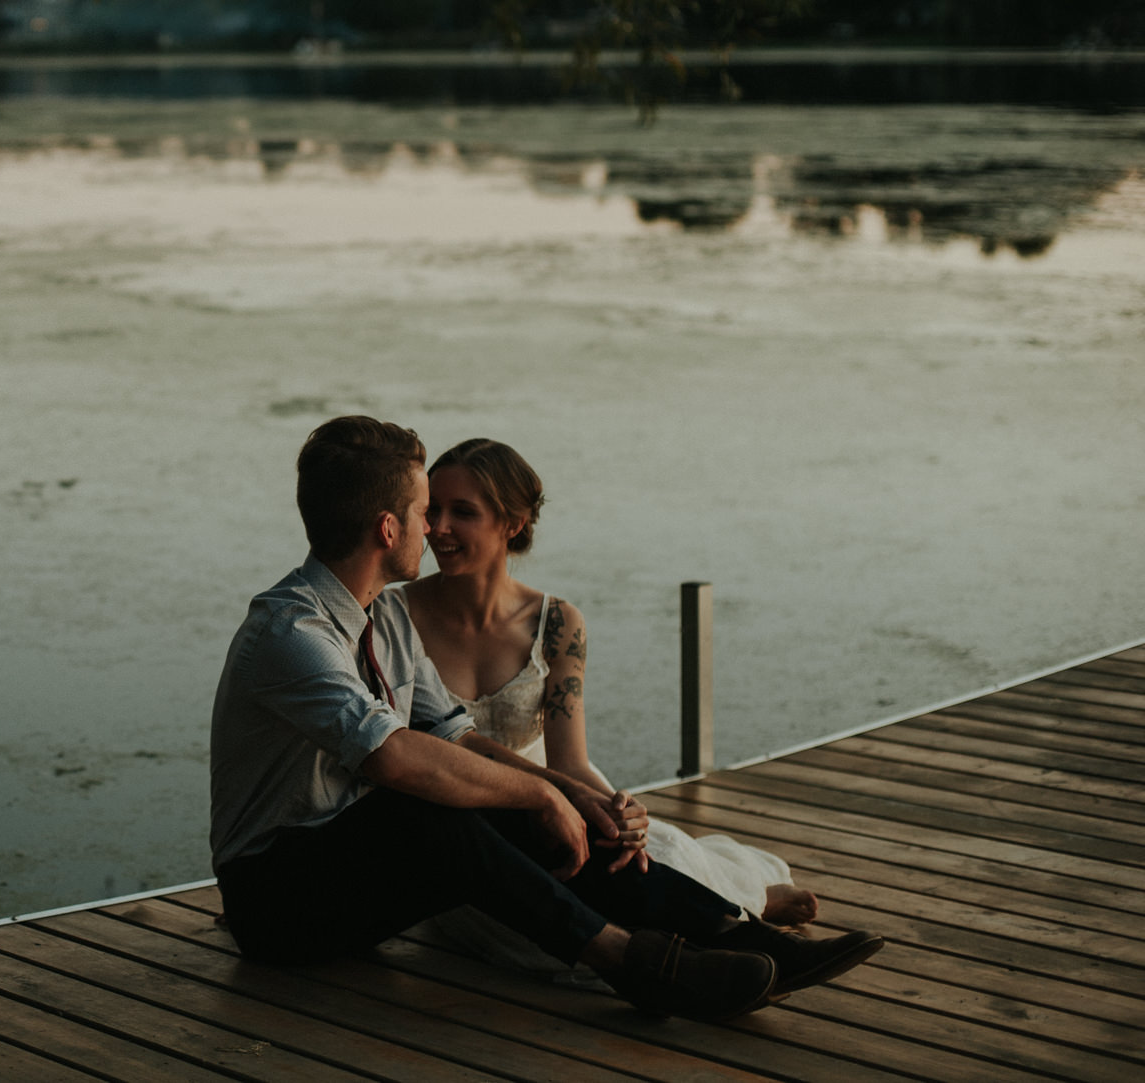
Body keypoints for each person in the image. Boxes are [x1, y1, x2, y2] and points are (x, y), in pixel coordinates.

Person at [210, 415, 881, 1021]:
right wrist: (537, 788)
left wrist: (570, 794)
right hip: (277, 905)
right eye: (422, 511)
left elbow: (456, 735)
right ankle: (636, 965)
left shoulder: (383, 617)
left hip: (357, 882)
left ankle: (737, 935)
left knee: (504, 798)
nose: (433, 528)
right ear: (389, 528)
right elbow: (394, 756)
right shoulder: (291, 631)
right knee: (430, 806)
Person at [401, 437, 822, 978]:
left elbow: (570, 761)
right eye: (431, 509)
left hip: (561, 793)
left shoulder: (555, 623)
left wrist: (616, 813)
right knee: (537, 930)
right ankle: (735, 931)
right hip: (467, 824)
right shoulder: (394, 616)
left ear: (513, 522)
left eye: (463, 512)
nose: (438, 528)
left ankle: (750, 903)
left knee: (656, 858)